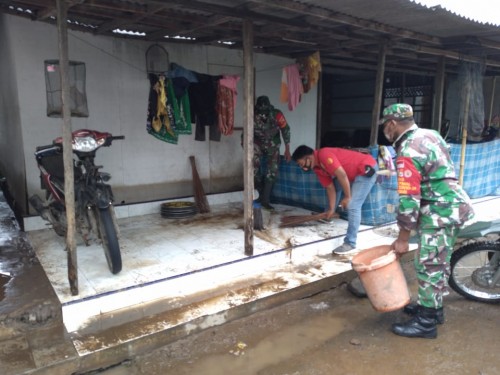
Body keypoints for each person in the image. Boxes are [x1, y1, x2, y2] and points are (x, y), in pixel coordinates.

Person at [379, 103, 475, 339]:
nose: (384, 131)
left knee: (429, 266)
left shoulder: (407, 153)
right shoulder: (430, 134)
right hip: (453, 206)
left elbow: (409, 200)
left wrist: (402, 239)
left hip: (439, 213)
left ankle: (426, 323)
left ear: (391, 124)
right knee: (438, 262)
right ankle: (432, 308)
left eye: (384, 126)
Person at [291, 145, 377, 254]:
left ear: (308, 158)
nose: (302, 167)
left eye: (301, 163)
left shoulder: (324, 155)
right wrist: (331, 209)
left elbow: (342, 175)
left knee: (353, 205)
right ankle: (328, 214)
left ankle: (350, 243)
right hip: (350, 173)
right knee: (336, 187)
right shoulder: (317, 168)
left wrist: (347, 197)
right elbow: (330, 187)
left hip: (365, 168)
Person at [252, 96, 291, 210]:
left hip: (273, 145)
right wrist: (247, 147)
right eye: (261, 111)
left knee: (272, 171)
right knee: (254, 169)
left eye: (265, 111)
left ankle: (265, 200)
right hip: (257, 144)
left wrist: (287, 149)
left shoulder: (277, 114)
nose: (263, 114)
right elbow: (246, 132)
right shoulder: (252, 114)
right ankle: (258, 197)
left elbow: (286, 130)